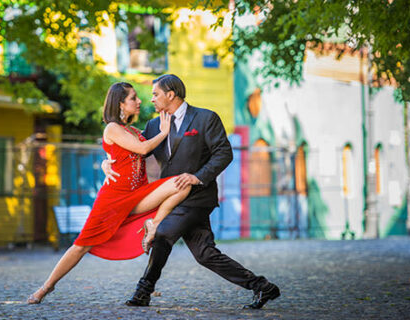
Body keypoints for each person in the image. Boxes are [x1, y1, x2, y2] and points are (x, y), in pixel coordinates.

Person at [103, 74, 280, 309]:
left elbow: (224, 153)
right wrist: (107, 162)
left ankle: (142, 292)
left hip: (198, 197)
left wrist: (198, 177)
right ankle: (263, 287)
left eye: (156, 94)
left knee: (162, 233)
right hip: (172, 198)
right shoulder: (154, 125)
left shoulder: (206, 118)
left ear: (171, 94)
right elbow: (132, 151)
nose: (151, 99)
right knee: (205, 254)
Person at [27, 82, 191, 304]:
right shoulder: (112, 128)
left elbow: (132, 152)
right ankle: (46, 287)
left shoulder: (133, 130)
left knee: (183, 184)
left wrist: (107, 161)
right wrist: (163, 132)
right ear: (120, 104)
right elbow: (143, 149)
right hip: (113, 199)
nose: (139, 101)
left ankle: (153, 224)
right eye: (134, 98)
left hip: (139, 194)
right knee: (81, 246)